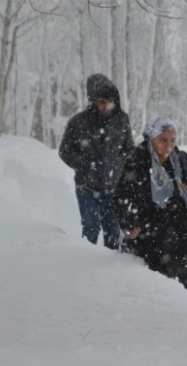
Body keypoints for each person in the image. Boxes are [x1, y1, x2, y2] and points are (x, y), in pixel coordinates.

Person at [112, 117, 187, 295]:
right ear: (151, 138)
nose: (169, 145)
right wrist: (129, 224)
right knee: (157, 292)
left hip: (181, 234)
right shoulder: (136, 161)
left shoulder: (179, 159)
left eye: (173, 140)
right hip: (150, 236)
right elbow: (120, 198)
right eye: (163, 140)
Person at [59, 73, 134, 249]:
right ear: (92, 100)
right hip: (86, 187)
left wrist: (118, 165)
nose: (105, 106)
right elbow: (65, 151)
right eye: (101, 101)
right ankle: (86, 268)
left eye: (109, 101)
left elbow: (129, 150)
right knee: (90, 228)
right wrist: (85, 163)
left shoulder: (122, 121)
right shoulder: (78, 122)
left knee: (113, 233)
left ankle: (111, 273)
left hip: (113, 188)